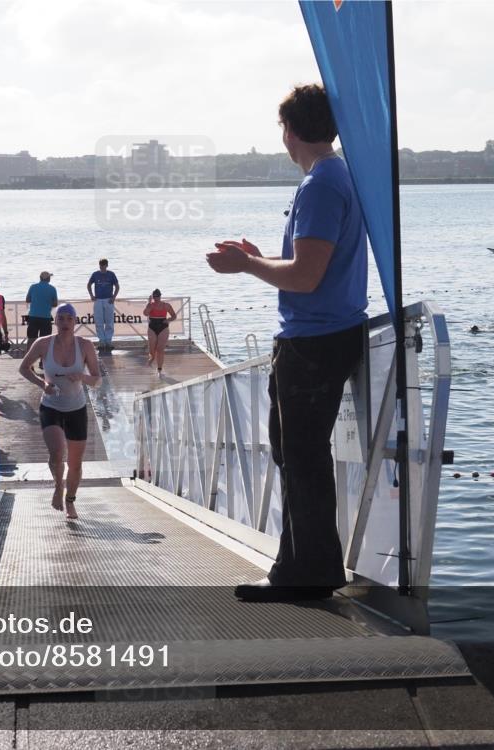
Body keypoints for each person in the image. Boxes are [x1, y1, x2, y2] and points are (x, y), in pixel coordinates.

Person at [206, 83, 368, 602]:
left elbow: (305, 276)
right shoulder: (339, 176)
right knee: (296, 454)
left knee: (301, 458)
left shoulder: (320, 185)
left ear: (290, 132)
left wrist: (246, 265)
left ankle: (307, 573)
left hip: (314, 341)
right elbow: (312, 265)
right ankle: (301, 567)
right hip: (329, 333)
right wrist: (259, 257)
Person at [19, 304, 101, 519]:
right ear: (55, 322)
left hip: (76, 408)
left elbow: (97, 380)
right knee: (56, 453)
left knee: (75, 463)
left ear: (75, 322)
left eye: (69, 319)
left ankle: (70, 500)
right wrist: (42, 384)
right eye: (61, 318)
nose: (65, 323)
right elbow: (23, 368)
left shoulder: (85, 346)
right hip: (51, 406)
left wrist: (81, 377)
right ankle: (58, 485)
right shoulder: (43, 343)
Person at [87, 258, 120, 353]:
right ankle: (101, 341)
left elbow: (117, 286)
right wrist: (91, 295)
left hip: (108, 300)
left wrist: (114, 297)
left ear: (107, 265)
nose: (102, 267)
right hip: (98, 300)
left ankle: (108, 341)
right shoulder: (95, 274)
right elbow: (89, 285)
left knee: (109, 321)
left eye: (104, 265)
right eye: (101, 265)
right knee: (99, 321)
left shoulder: (111, 274)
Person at [143, 289, 177, 376]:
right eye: (154, 297)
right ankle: (152, 358)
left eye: (157, 296)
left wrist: (168, 320)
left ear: (160, 296)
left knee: (160, 349)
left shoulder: (166, 305)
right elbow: (145, 314)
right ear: (153, 297)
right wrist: (149, 304)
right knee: (152, 351)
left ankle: (159, 369)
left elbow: (174, 316)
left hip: (163, 327)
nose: (156, 298)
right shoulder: (150, 305)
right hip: (152, 327)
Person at [25, 271, 58, 353]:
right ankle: (43, 359)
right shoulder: (52, 288)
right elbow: (55, 304)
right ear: (48, 279)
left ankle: (29, 359)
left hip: (33, 316)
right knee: (45, 341)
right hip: (45, 317)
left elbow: (28, 299)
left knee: (31, 339)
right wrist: (47, 302)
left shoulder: (33, 287)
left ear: (40, 278)